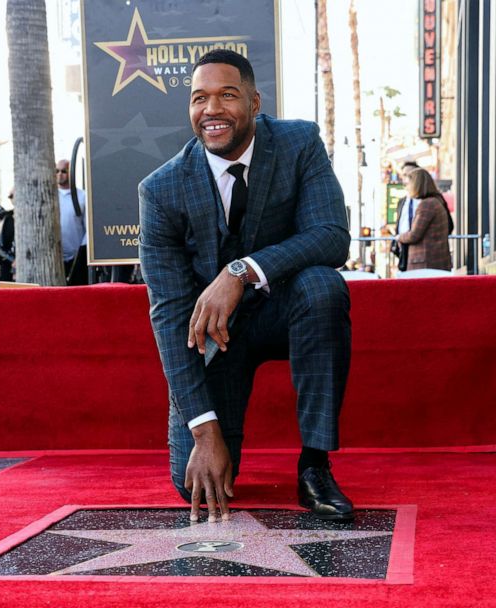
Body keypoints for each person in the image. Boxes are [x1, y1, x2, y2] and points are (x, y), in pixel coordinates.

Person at [139, 50, 353, 523]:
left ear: (255, 102)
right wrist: (202, 429)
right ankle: (215, 433)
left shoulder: (299, 143)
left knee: (324, 286)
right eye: (199, 99)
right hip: (216, 337)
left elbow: (332, 236)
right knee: (189, 483)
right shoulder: (162, 189)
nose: (211, 109)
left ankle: (315, 464)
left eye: (226, 95)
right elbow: (170, 312)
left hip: (285, 310)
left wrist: (242, 271)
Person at [395, 168, 453, 271]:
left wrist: (399, 237)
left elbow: (414, 235)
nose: (407, 188)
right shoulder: (435, 201)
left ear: (417, 185)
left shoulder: (427, 205)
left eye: (408, 184)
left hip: (425, 264)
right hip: (434, 262)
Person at [56, 159, 88, 285]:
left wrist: (80, 253)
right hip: (56, 257)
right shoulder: (50, 195)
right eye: (57, 171)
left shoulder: (82, 196)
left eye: (63, 171)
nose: (60, 174)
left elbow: (87, 229)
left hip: (76, 258)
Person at [391, 161, 419, 271]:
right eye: (404, 175)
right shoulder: (402, 202)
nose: (406, 179)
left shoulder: (426, 200)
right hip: (403, 246)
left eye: (409, 175)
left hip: (419, 246)